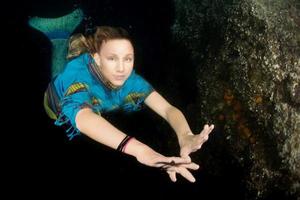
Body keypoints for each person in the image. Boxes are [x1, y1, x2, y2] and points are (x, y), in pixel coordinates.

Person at [44, 26, 214, 183]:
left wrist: (185, 135)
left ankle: (79, 43)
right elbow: (84, 117)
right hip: (54, 105)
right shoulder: (80, 78)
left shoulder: (131, 80)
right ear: (96, 59)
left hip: (95, 94)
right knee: (63, 67)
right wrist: (140, 150)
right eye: (112, 59)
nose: (121, 69)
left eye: (128, 59)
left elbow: (167, 109)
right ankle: (62, 41)